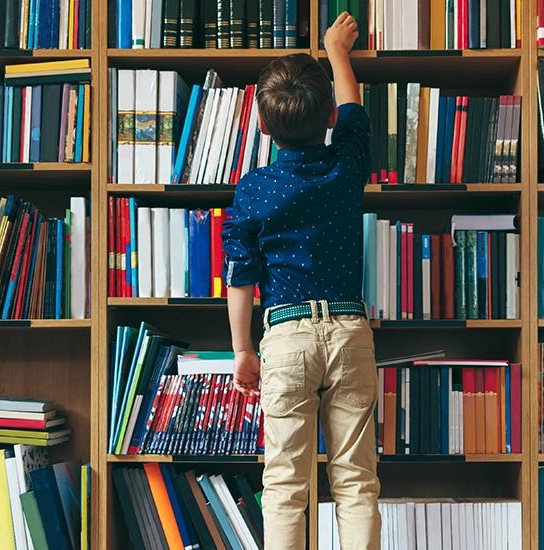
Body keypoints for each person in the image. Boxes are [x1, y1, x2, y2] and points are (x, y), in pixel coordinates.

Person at [221, 11, 380, 550]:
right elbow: (355, 111)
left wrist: (243, 350)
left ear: (263, 127)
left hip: (286, 338)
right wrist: (337, 50)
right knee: (356, 481)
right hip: (349, 332)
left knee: (286, 483)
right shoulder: (346, 166)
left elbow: (240, 278)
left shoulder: (253, 189)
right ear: (329, 117)